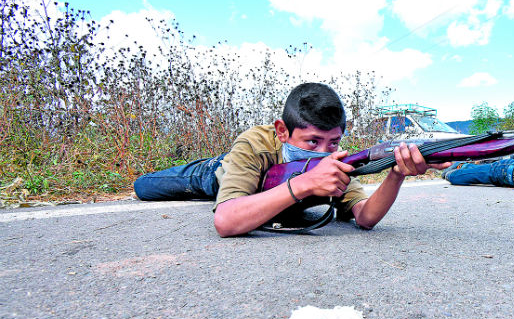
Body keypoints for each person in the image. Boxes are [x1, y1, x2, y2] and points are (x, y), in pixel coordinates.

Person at [134, 82, 449, 236]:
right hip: (215, 174)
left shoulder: (335, 161)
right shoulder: (256, 143)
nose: (324, 153)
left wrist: (396, 173)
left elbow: (365, 217)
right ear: (283, 131)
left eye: (333, 142)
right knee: (144, 187)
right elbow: (226, 221)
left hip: (260, 197)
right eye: (312, 141)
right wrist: (305, 183)